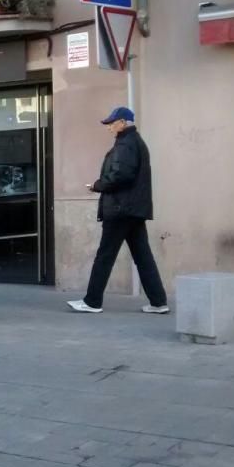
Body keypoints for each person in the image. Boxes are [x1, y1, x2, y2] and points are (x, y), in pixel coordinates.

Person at [68, 107, 169, 314]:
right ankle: (158, 302)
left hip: (120, 209)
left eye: (112, 123)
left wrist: (97, 185)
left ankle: (92, 302)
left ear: (123, 122)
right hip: (133, 210)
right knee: (143, 256)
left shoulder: (126, 144)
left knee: (105, 256)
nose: (109, 128)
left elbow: (120, 175)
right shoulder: (135, 142)